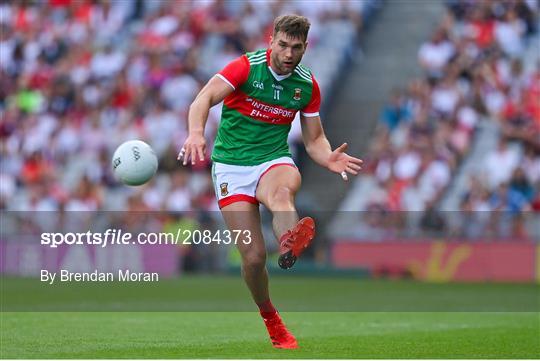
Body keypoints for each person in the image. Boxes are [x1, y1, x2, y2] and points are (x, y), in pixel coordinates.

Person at [179, 15, 363, 349]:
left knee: (281, 195)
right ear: (271, 40)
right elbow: (203, 99)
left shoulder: (306, 86)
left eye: (296, 47)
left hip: (273, 159)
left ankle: (290, 243)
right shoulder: (246, 68)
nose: (289, 53)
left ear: (306, 47)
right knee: (252, 258)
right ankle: (271, 318)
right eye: (283, 45)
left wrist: (327, 156)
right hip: (231, 167)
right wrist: (195, 134)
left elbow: (314, 139)